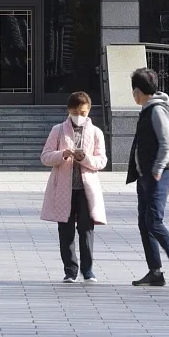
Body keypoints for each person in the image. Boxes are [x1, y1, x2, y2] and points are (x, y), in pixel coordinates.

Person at [40, 91, 108, 283]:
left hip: (86, 189)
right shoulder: (58, 130)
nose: (80, 115)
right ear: (69, 110)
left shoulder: (96, 132)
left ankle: (88, 270)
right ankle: (70, 270)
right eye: (76, 111)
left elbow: (101, 161)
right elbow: (45, 157)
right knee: (65, 229)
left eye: (84, 112)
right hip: (64, 188)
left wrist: (84, 158)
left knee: (86, 229)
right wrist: (63, 154)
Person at [126, 68, 169, 287]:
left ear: (139, 91)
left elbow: (167, 142)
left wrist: (158, 168)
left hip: (158, 175)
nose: (133, 95)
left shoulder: (157, 110)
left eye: (133, 90)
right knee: (144, 223)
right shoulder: (148, 109)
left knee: (153, 221)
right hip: (146, 175)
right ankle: (155, 272)